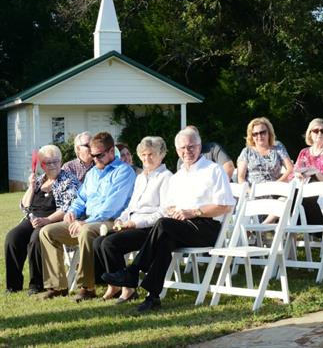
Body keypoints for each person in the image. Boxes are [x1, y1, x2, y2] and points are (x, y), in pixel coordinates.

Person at [101, 127, 235, 312]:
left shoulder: (213, 170)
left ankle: (133, 271)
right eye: (182, 148)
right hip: (180, 226)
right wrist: (174, 210)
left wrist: (194, 212)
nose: (187, 151)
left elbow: (226, 206)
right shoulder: (178, 176)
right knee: (164, 240)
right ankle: (152, 297)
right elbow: (169, 206)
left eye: (191, 147)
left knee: (162, 225)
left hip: (207, 227)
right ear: (176, 149)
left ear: (199, 145)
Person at [39, 132, 136, 301]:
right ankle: (57, 286)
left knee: (86, 231)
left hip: (113, 221)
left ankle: (87, 287)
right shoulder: (92, 174)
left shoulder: (124, 172)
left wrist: (85, 221)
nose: (95, 159)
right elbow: (80, 199)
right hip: (89, 220)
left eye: (100, 155)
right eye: (93, 155)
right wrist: (72, 212)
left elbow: (110, 208)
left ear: (112, 151)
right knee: (47, 232)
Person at [93, 136, 172, 303]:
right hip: (132, 224)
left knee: (109, 243)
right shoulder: (141, 177)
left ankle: (127, 287)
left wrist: (135, 223)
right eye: (143, 155)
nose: (146, 158)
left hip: (150, 229)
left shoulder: (166, 177)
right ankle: (117, 285)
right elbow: (131, 207)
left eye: (151, 154)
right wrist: (121, 220)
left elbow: (163, 213)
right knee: (98, 242)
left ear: (162, 154)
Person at [4, 145, 80, 294]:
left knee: (36, 238)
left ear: (61, 161)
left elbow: (68, 207)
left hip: (54, 220)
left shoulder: (69, 180)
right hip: (33, 218)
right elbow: (24, 206)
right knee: (13, 237)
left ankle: (37, 285)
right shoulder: (39, 180)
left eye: (55, 161)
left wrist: (47, 220)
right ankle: (13, 285)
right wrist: (31, 188)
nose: (52, 165)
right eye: (47, 162)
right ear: (41, 165)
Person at [291, 118, 323, 225]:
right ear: (310, 134)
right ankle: (289, 236)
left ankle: (273, 228)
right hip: (302, 190)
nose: (320, 133)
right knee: (289, 197)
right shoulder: (304, 152)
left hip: (321, 196)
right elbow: (295, 172)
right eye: (316, 131)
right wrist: (298, 174)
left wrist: (316, 173)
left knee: (291, 199)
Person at [237, 117, 293, 185]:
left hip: (275, 190)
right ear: (251, 136)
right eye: (255, 134)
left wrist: (277, 184)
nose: (259, 136)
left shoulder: (278, 147)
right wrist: (250, 192)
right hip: (253, 192)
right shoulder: (246, 152)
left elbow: (290, 169)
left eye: (262, 132)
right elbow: (240, 178)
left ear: (269, 132)